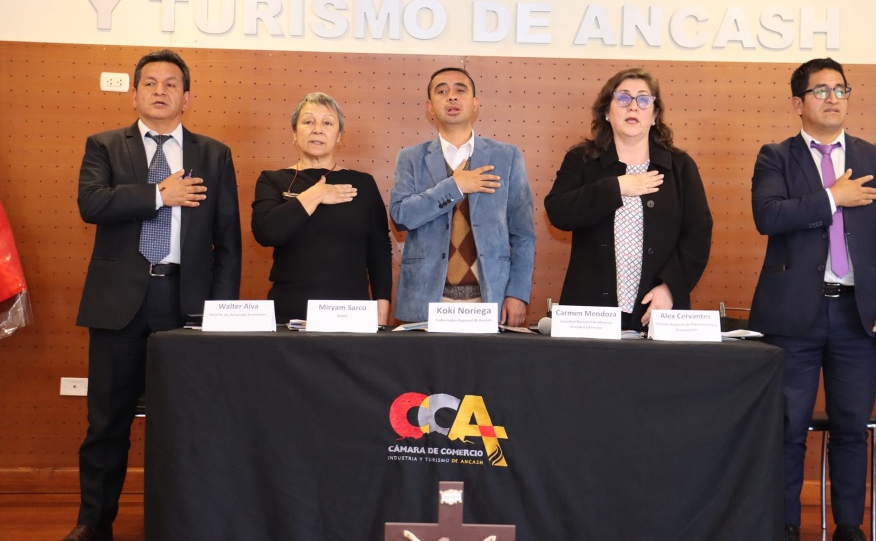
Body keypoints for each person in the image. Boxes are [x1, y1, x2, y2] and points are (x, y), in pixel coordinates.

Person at [65, 49, 242, 541]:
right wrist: (160, 195)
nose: (160, 90)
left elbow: (228, 242)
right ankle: (93, 523)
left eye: (171, 84)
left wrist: (220, 312)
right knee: (106, 423)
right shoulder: (104, 145)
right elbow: (91, 203)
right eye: (149, 83)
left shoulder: (214, 154)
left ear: (187, 98)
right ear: (134, 93)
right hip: (118, 304)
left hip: (185, 302)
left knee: (188, 421)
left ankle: (186, 522)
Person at [749, 58, 876, 541]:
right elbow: (768, 216)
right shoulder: (775, 157)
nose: (833, 98)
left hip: (858, 315)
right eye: (820, 90)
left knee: (850, 426)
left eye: (840, 89)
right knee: (787, 428)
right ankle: (784, 527)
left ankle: (848, 527)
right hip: (790, 318)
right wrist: (831, 198)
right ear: (797, 103)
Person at [544, 67, 712, 329]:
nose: (633, 107)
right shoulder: (582, 160)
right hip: (591, 313)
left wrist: (670, 287)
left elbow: (698, 234)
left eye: (643, 99)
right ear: (606, 112)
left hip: (656, 308)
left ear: (654, 115)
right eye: (623, 98)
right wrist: (617, 187)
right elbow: (558, 212)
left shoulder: (679, 166)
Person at [389, 67, 535, 325]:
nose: (452, 96)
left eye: (460, 90)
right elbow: (401, 217)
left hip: (490, 301)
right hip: (426, 301)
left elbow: (523, 235)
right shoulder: (411, 158)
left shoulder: (507, 156)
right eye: (441, 91)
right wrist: (454, 186)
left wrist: (517, 294)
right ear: (430, 107)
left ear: (475, 103)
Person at [251, 92, 392, 324]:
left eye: (327, 123)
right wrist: (315, 194)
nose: (317, 129)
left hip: (351, 315)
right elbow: (267, 232)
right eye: (308, 122)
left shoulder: (363, 183)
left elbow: (379, 249)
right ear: (294, 133)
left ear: (339, 136)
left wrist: (382, 308)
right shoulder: (272, 180)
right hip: (289, 316)